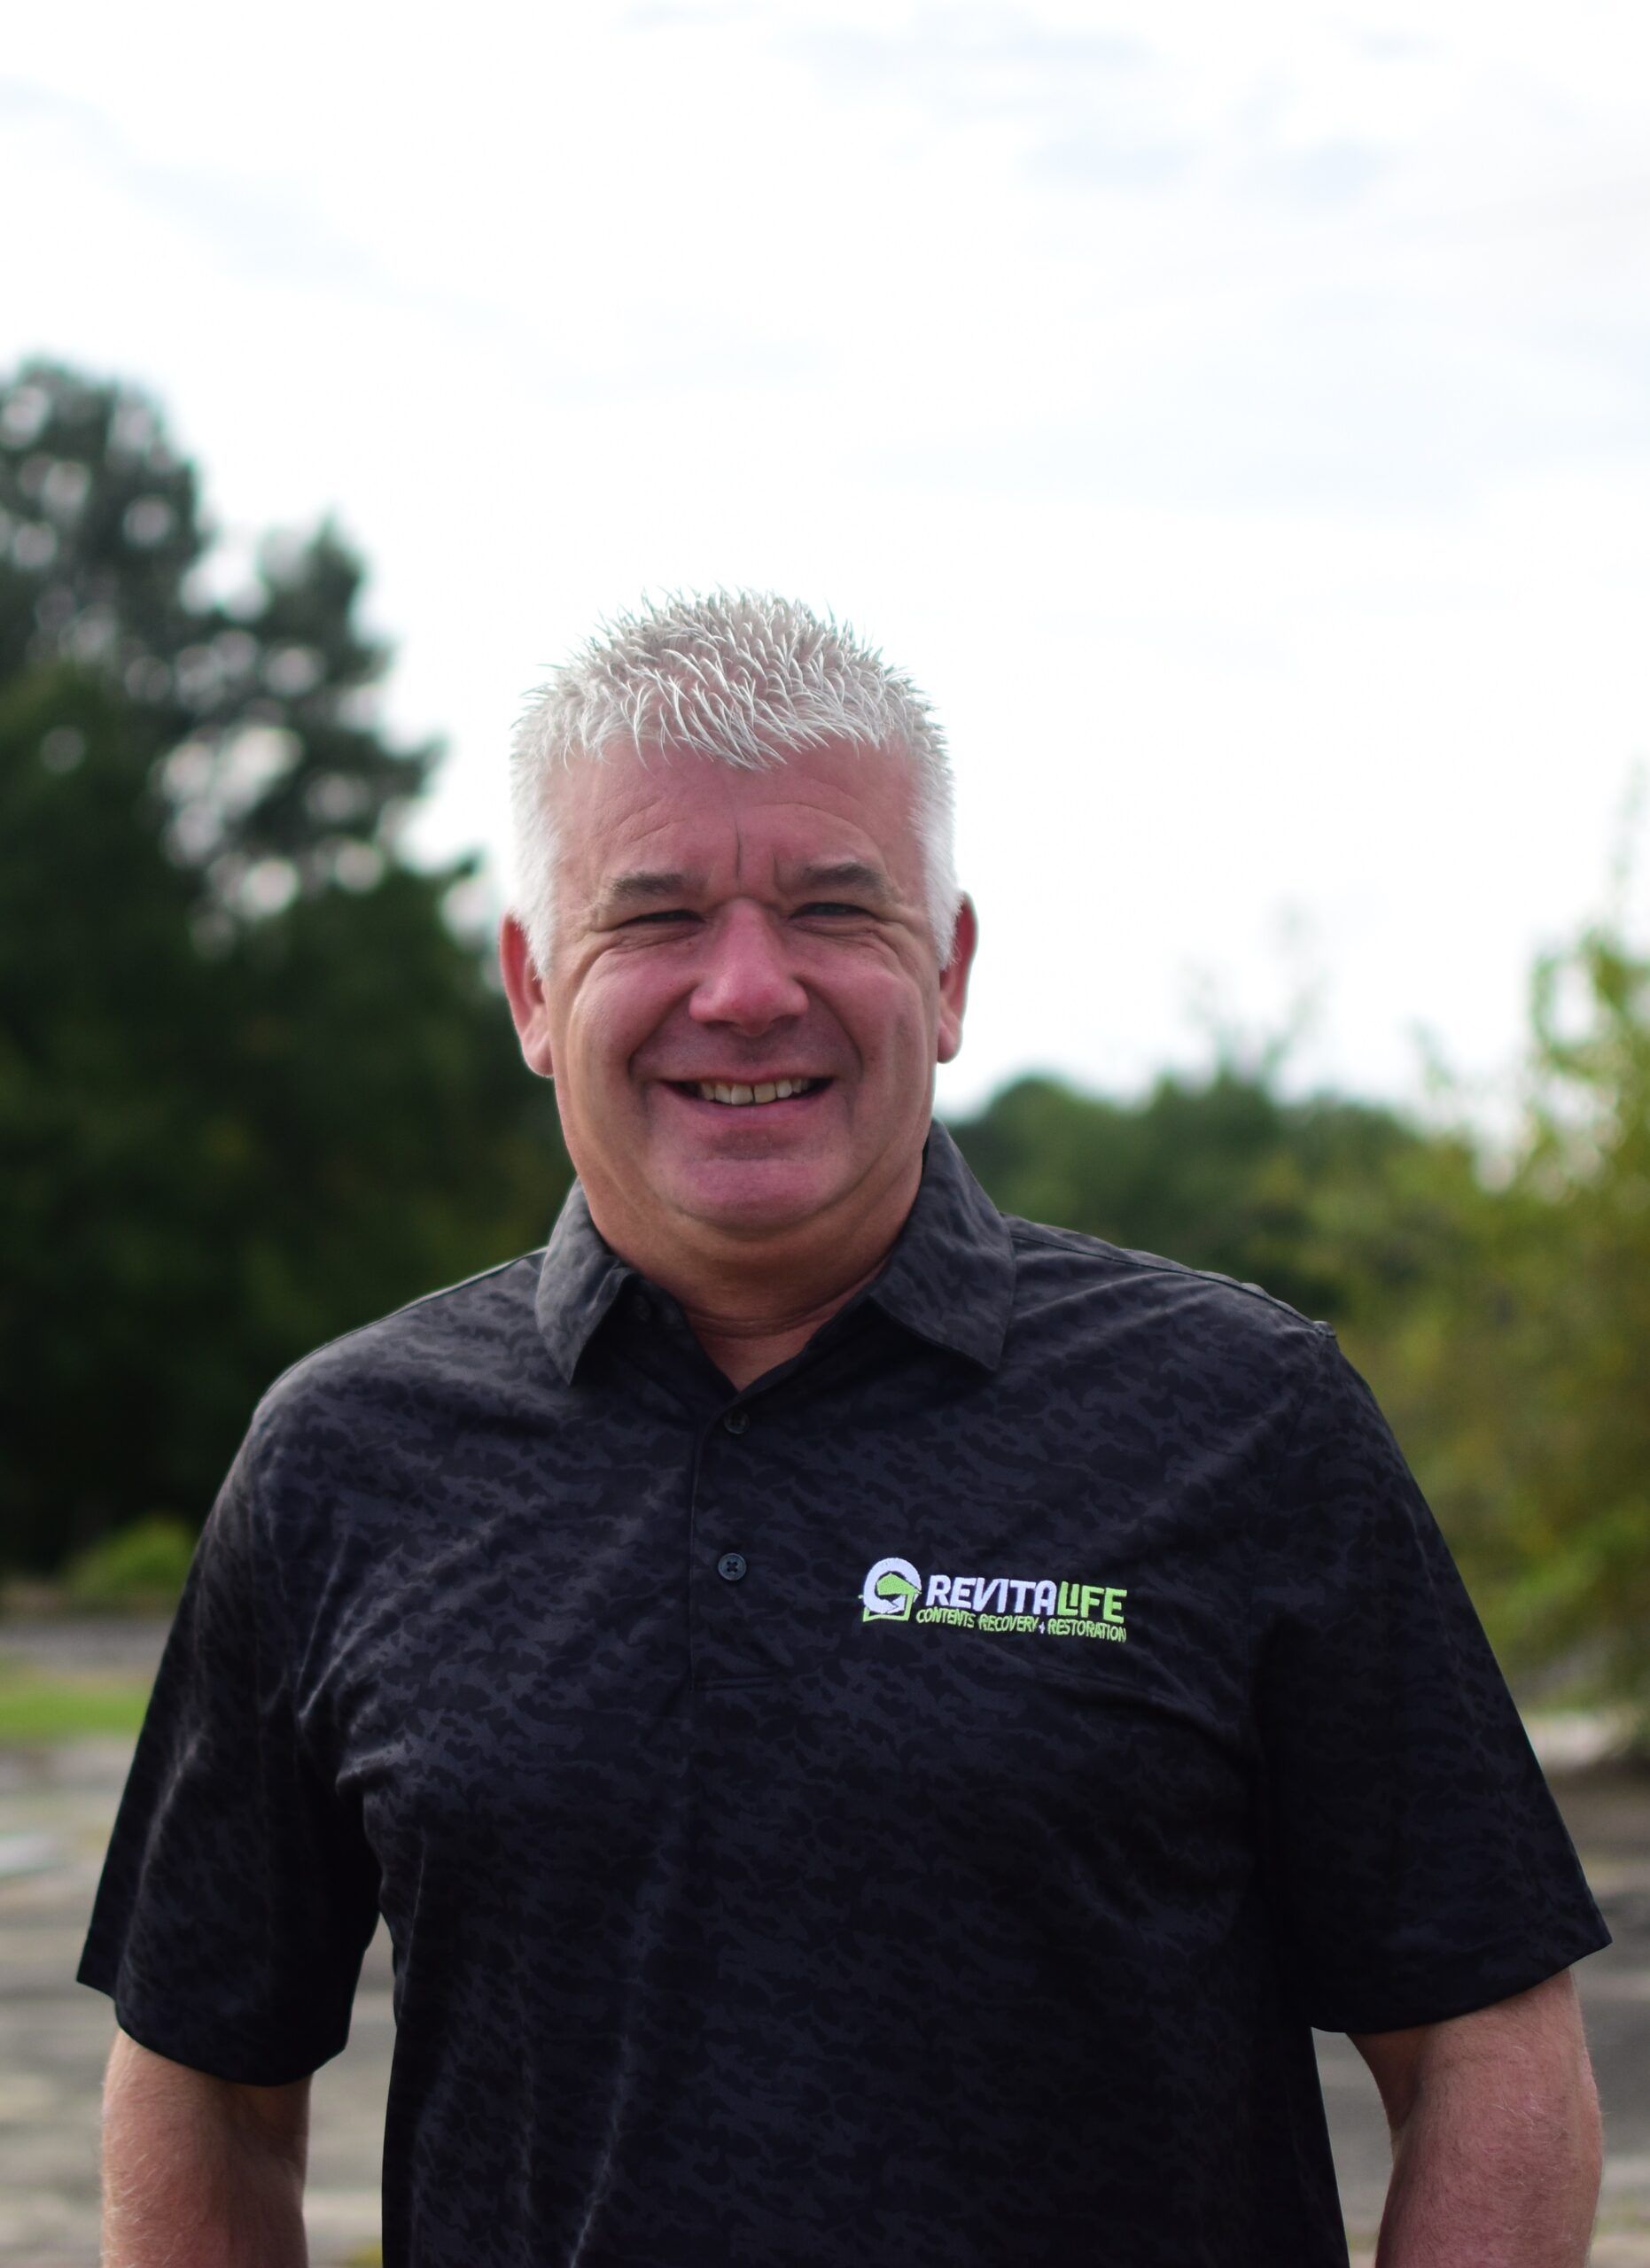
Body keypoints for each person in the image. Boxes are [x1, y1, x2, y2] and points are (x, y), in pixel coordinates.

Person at [81, 591, 1610, 2267]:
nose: (747, 990)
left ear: (944, 973)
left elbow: (1482, 2049)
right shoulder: (343, 1458)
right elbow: (206, 2086)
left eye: (832, 908)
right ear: (531, 987)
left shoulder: (1243, 1418)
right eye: (655, 916)